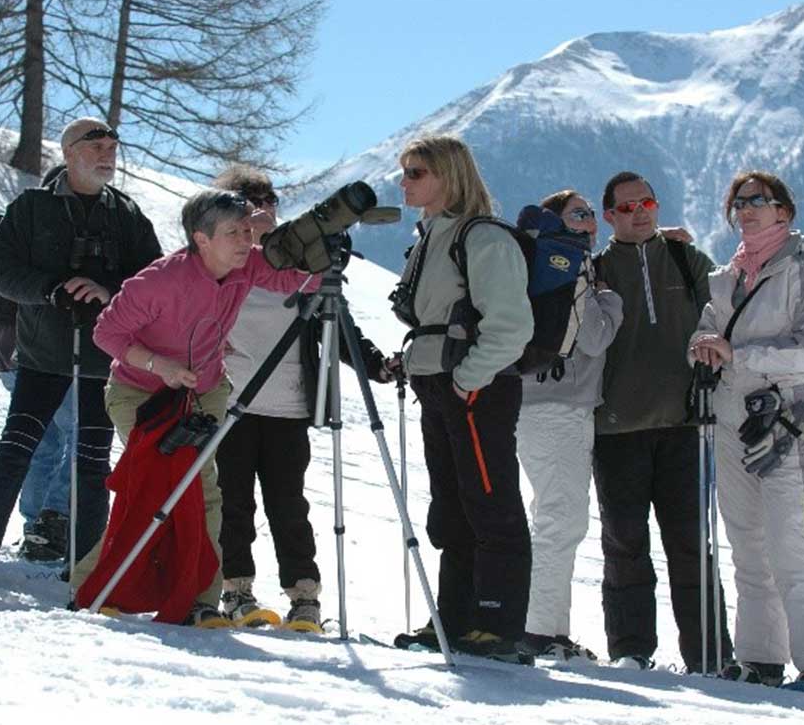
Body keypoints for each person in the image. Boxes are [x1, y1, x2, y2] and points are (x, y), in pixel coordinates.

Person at [81, 188, 319, 627]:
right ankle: (98, 586)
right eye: (233, 232)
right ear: (201, 238)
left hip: (203, 391)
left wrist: (322, 261)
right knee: (153, 490)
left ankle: (200, 600)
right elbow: (106, 333)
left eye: (247, 231)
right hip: (140, 392)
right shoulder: (159, 281)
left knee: (205, 493)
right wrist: (159, 364)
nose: (245, 241)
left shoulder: (244, 267)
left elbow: (292, 280)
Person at [0, 118, 162, 575]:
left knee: (92, 458)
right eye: (95, 145)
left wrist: (107, 292)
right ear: (67, 152)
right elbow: (3, 272)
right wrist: (52, 289)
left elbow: (152, 282)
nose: (107, 153)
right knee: (17, 446)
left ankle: (86, 565)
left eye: (112, 147)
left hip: (102, 357)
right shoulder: (31, 207)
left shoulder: (126, 214)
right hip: (41, 354)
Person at [212, 165, 393, 632]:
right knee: (233, 504)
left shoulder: (303, 266)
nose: (261, 211)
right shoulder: (222, 269)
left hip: (291, 404)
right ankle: (236, 591)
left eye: (267, 200)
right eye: (248, 203)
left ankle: (304, 596)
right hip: (232, 400)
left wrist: (376, 365)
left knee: (289, 506)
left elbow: (339, 323)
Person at [689, 171, 804, 693]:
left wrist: (741, 353)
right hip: (732, 412)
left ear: (785, 211)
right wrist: (703, 345)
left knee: (790, 541)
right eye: (739, 202)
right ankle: (759, 658)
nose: (747, 209)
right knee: (748, 541)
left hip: (787, 414)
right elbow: (709, 324)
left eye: (760, 200)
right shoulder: (728, 275)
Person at [389, 134, 533, 662]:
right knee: (452, 506)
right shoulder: (433, 236)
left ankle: (498, 624)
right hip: (444, 385)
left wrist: (468, 378)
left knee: (489, 502)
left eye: (417, 172)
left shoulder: (483, 239)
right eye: (405, 171)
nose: (405, 181)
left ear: (449, 176)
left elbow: (511, 326)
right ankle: (455, 617)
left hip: (476, 390)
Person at [591, 170, 733, 671]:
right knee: (625, 544)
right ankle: (631, 651)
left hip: (685, 424)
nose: (639, 212)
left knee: (693, 546)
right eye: (626, 207)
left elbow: (728, 301)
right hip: (614, 428)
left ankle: (710, 656)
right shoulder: (597, 268)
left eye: (646, 202)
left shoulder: (683, 257)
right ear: (609, 216)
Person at [515, 190, 622, 661]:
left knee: (553, 516)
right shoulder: (571, 265)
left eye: (591, 214)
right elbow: (595, 337)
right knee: (561, 519)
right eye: (579, 214)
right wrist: (611, 302)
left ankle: (547, 629)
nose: (590, 222)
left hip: (534, 402)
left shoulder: (536, 266)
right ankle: (539, 631)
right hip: (560, 406)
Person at [0, 164, 74, 563]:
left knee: (41, 442)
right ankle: (52, 523)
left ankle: (37, 524)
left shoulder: (12, 224)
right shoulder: (54, 231)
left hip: (8, 351)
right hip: (47, 352)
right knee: (74, 437)